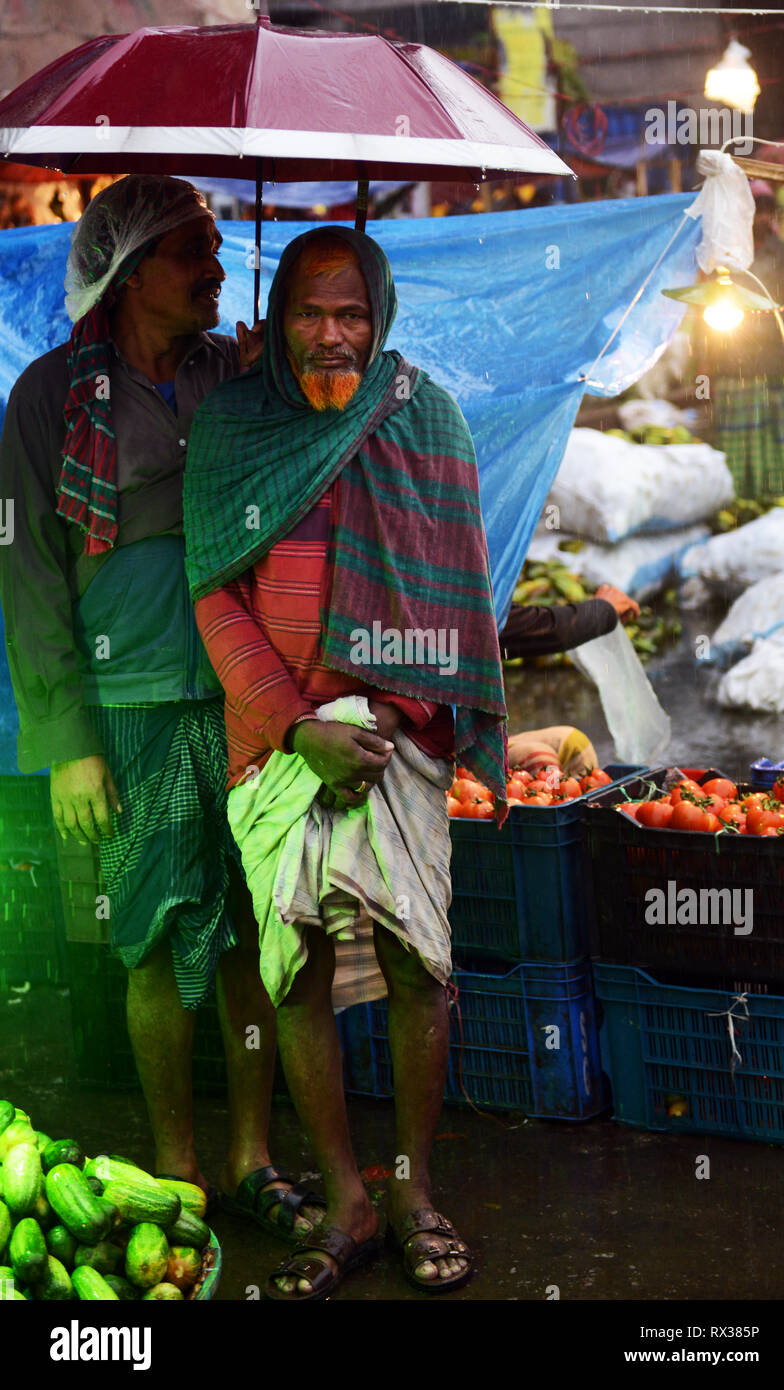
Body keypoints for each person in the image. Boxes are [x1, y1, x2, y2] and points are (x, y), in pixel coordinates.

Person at [183, 225, 509, 1299]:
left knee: (421, 966)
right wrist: (294, 724)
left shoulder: (425, 418)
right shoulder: (233, 421)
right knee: (299, 970)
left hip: (396, 743)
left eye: (351, 313)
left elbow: (457, 591)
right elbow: (212, 594)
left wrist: (399, 709)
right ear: (279, 319)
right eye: (310, 313)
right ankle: (347, 1199)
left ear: (379, 318)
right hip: (277, 745)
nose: (330, 335)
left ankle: (412, 1192)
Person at [0, 174, 324, 1243]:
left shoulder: (230, 375)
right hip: (131, 701)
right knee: (150, 937)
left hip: (247, 696)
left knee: (247, 936)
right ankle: (177, 1163)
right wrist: (68, 748)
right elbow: (31, 581)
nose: (219, 268)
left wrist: (275, 380)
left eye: (221, 246)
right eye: (197, 250)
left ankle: (251, 1159)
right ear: (138, 271)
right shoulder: (49, 398)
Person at [699, 180, 784, 496]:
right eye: (754, 211)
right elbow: (707, 307)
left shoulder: (782, 252)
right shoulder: (724, 255)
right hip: (733, 359)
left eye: (766, 212)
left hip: (772, 359)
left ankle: (774, 494)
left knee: (773, 432)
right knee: (736, 435)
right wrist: (705, 362)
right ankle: (737, 497)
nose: (760, 219)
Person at [499, 581, 640, 777]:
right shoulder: (450, 605)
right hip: (450, 747)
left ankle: (572, 804)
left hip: (480, 737)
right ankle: (544, 802)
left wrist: (599, 612)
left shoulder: (477, 599)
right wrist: (599, 612)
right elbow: (511, 628)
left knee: (575, 745)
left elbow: (507, 625)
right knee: (541, 760)